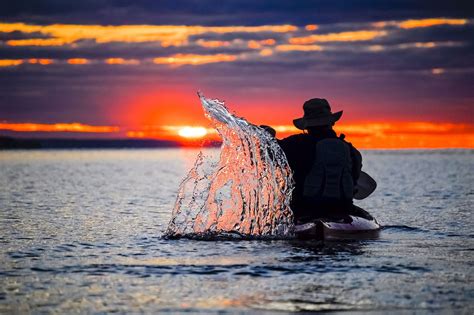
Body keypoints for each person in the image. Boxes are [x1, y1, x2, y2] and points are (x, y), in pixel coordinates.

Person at [276, 98, 363, 223]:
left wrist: (267, 135)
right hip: (342, 209)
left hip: (305, 211)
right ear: (332, 123)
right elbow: (355, 177)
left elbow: (273, 152)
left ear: (306, 125)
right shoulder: (350, 150)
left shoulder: (296, 144)